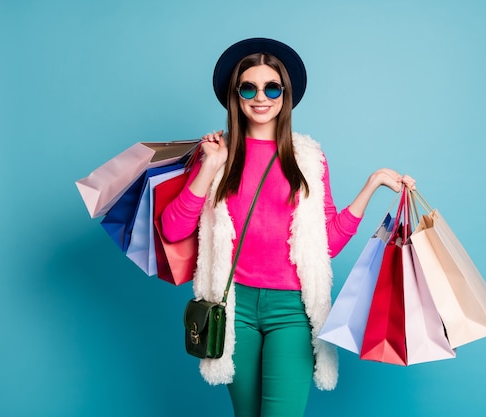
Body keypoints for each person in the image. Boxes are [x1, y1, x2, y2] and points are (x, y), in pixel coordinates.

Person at [161, 38, 416, 417]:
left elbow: (325, 244)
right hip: (235, 308)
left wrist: (372, 184)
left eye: (271, 87)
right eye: (248, 87)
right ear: (236, 95)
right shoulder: (216, 154)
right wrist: (211, 166)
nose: (260, 97)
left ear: (285, 95)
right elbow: (172, 228)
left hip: (292, 310)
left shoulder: (309, 158)